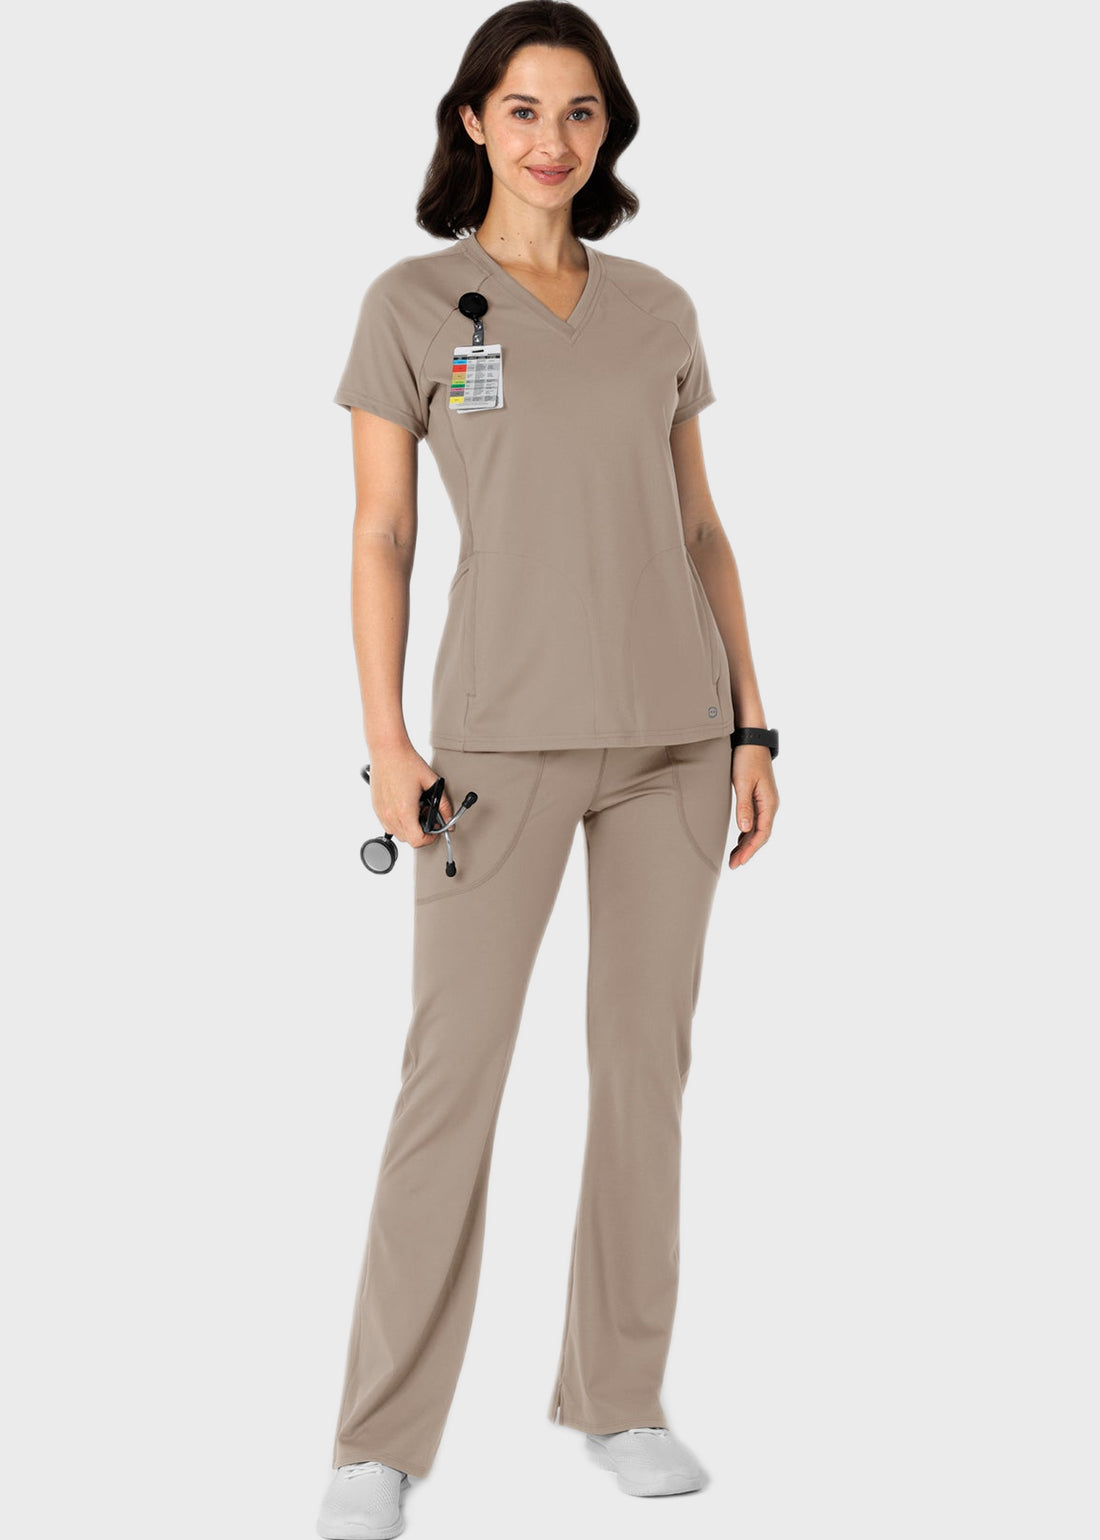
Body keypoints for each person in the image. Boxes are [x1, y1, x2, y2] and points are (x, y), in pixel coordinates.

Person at [317, 3, 780, 1534]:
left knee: (644, 1073)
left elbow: (699, 526)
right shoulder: (412, 304)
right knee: (449, 1084)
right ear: (473, 122)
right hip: (496, 745)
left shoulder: (658, 310)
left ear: (607, 131)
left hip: (673, 742)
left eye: (581, 112)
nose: (552, 139)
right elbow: (383, 531)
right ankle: (379, 1440)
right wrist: (387, 740)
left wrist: (754, 724)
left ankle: (618, 1397)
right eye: (523, 109)